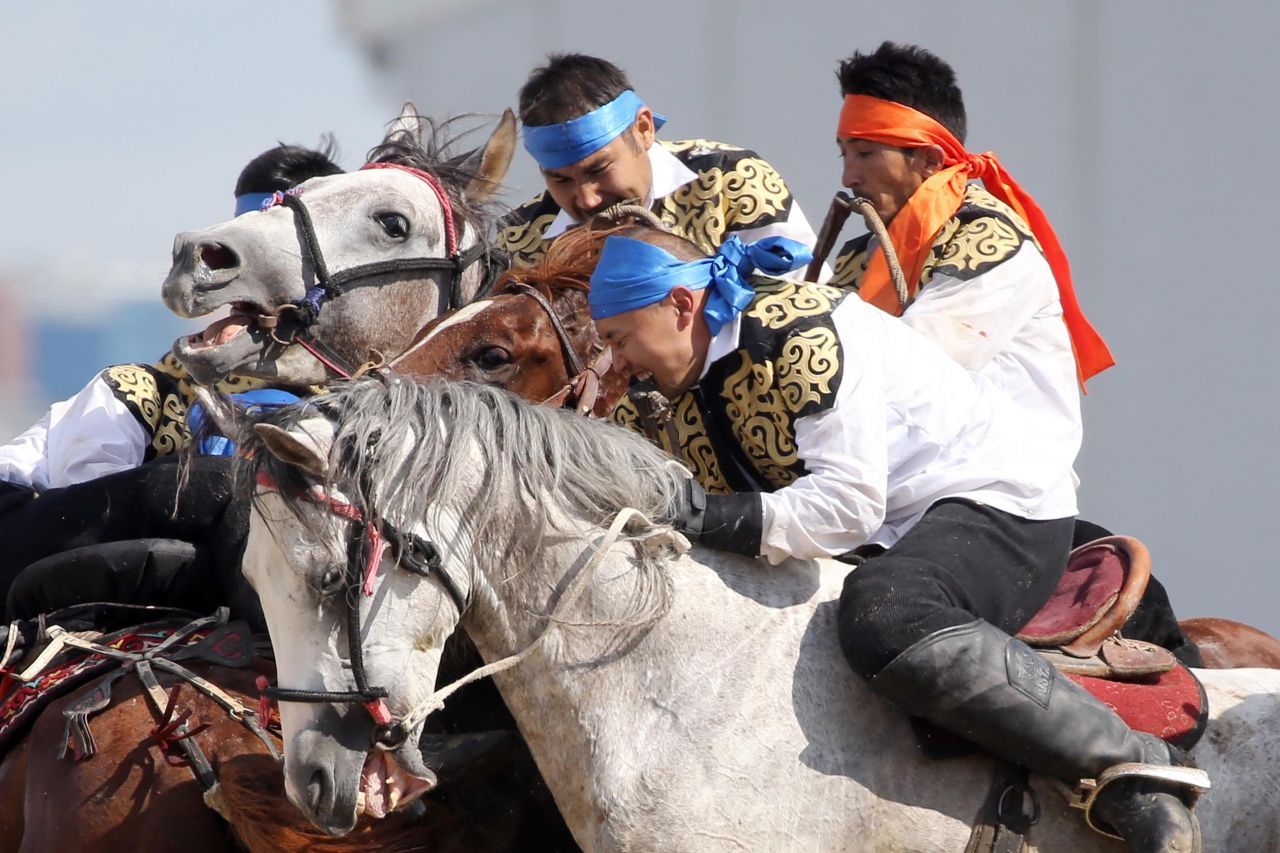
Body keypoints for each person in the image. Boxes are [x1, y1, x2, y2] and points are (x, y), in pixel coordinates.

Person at [591, 225, 1204, 851]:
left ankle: (1135, 772)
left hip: (998, 500)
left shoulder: (802, 332)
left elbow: (844, 509)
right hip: (892, 534)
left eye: (618, 338)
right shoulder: (662, 396)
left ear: (681, 305)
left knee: (887, 609)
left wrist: (700, 515)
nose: (616, 361)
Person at [828, 42, 1197, 664]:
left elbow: (891, 378)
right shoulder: (856, 259)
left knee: (884, 607)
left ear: (925, 156)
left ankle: (1106, 748)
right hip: (891, 501)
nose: (847, 177)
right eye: (843, 154)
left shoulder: (989, 245)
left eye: (864, 153)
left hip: (991, 503)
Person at [0, 142, 343, 621]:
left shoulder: (349, 404)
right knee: (220, 488)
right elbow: (79, 552)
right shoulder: (136, 392)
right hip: (21, 531)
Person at [500, 53, 822, 275]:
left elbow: (802, 304)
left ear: (643, 129)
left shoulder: (730, 180)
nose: (587, 200)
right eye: (560, 180)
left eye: (598, 170)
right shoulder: (516, 240)